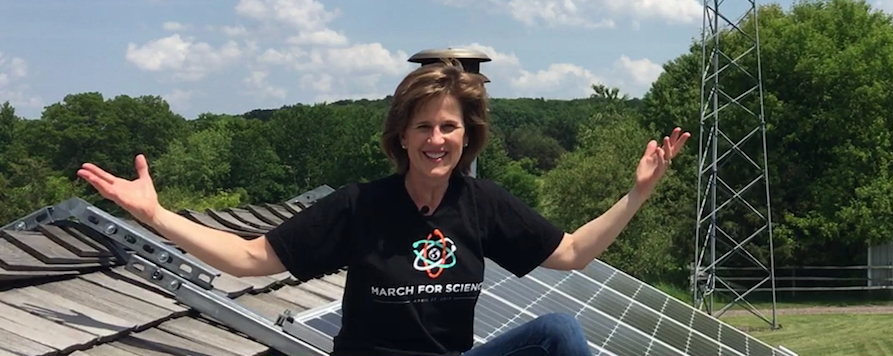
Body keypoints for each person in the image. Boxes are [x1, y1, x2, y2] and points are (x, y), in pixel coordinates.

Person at [78, 58, 689, 356]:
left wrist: (637, 193)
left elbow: (574, 253)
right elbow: (247, 258)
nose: (436, 139)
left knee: (560, 331)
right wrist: (155, 215)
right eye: (422, 126)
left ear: (466, 135)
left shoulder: (481, 205)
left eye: (449, 126)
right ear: (401, 136)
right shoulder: (360, 206)